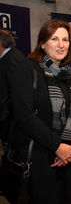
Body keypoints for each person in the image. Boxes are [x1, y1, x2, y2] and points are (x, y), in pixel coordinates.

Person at [10, 19, 71, 204]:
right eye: (54, 39)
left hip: (69, 158)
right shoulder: (27, 69)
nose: (61, 45)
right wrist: (58, 147)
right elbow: (24, 115)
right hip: (41, 157)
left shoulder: (69, 74)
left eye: (65, 40)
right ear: (42, 43)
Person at [0, 29, 28, 203]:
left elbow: (15, 95)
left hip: (10, 122)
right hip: (9, 121)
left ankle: (10, 192)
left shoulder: (12, 60)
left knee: (10, 157)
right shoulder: (10, 58)